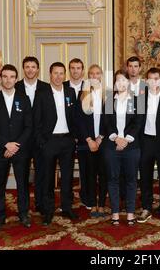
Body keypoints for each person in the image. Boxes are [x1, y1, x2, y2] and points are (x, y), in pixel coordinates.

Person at [0, 64, 33, 231]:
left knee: (22, 184)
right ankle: (0, 216)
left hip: (20, 150)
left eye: (12, 77)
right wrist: (6, 144)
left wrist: (15, 145)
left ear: (16, 78)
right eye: (5, 76)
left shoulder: (24, 98)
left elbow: (29, 126)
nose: (8, 80)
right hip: (0, 149)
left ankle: (23, 214)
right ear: (1, 78)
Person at [33, 62, 79, 226]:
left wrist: (74, 137)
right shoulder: (42, 93)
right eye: (55, 73)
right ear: (50, 74)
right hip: (49, 141)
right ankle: (48, 210)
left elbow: (74, 116)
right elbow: (36, 120)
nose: (58, 76)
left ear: (64, 75)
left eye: (61, 73)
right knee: (47, 177)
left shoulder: (70, 92)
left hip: (67, 141)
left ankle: (66, 207)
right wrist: (41, 142)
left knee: (67, 177)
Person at [103, 70, 143, 226]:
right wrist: (116, 138)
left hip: (131, 146)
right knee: (113, 180)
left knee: (131, 180)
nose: (121, 83)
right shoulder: (109, 99)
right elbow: (106, 123)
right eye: (118, 80)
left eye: (124, 80)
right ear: (115, 83)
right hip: (111, 146)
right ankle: (115, 213)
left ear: (129, 82)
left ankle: (131, 212)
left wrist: (125, 140)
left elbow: (138, 123)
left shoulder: (136, 100)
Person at [15, 56, 50, 215]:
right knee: (22, 176)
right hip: (21, 140)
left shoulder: (46, 87)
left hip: (40, 139)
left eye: (33, 67)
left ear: (38, 69)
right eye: (27, 67)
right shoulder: (15, 87)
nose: (30, 70)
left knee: (41, 174)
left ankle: (41, 204)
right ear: (23, 69)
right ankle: (24, 208)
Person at [137, 68, 160, 225]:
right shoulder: (139, 98)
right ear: (146, 81)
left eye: (156, 78)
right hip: (145, 141)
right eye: (150, 79)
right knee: (145, 177)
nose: (153, 82)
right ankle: (146, 207)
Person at [77, 65, 107, 218]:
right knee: (88, 173)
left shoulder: (106, 95)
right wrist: (89, 140)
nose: (94, 76)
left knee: (103, 174)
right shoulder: (82, 94)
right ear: (88, 76)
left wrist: (100, 138)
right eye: (91, 73)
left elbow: (109, 120)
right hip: (86, 142)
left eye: (97, 73)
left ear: (101, 75)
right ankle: (91, 202)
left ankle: (101, 204)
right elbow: (79, 120)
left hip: (102, 142)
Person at [63, 58, 89, 209]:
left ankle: (86, 197)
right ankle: (68, 198)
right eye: (72, 68)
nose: (75, 71)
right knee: (68, 168)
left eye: (78, 68)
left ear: (82, 70)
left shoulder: (89, 87)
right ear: (69, 70)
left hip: (85, 136)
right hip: (68, 135)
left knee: (86, 169)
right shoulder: (63, 86)